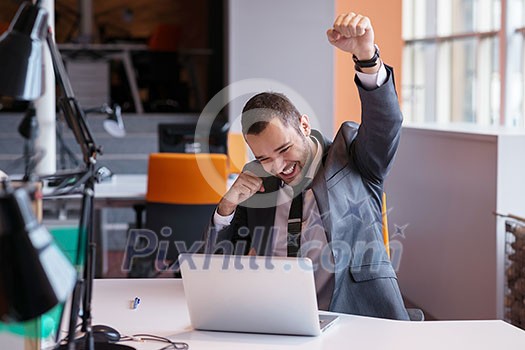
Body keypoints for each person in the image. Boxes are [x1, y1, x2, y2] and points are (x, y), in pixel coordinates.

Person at [204, 12, 409, 320]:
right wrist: (226, 209)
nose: (278, 166)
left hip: (356, 316)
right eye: (263, 158)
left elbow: (386, 123)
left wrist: (367, 58)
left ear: (303, 125)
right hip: (278, 318)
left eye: (284, 149)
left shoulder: (354, 159)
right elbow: (215, 268)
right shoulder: (258, 184)